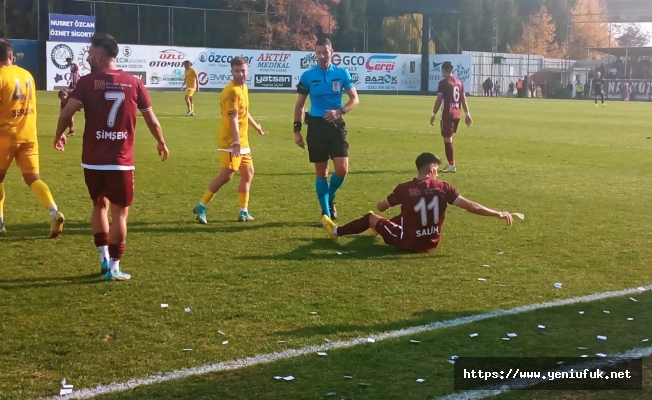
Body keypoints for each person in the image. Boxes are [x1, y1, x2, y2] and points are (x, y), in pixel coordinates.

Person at [55, 33, 169, 281]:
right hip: (121, 161)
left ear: (99, 55)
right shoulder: (134, 82)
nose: (86, 56)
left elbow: (67, 113)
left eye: (89, 52)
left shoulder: (86, 82)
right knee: (120, 213)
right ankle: (115, 267)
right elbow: (151, 118)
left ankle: (103, 258)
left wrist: (58, 134)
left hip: (93, 160)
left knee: (99, 206)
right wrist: (160, 141)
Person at [321, 152, 513, 253]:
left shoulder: (406, 188)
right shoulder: (443, 187)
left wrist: (383, 204)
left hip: (410, 243)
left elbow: (381, 207)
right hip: (432, 242)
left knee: (372, 217)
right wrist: (497, 213)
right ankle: (379, 228)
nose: (438, 172)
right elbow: (470, 206)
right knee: (406, 215)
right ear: (431, 168)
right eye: (437, 168)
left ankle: (336, 231)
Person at [0, 39, 65, 237]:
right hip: (28, 134)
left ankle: (0, 222)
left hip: (5, 135)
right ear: (11, 56)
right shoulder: (27, 74)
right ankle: (54, 210)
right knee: (33, 178)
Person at [193, 57, 267, 224]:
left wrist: (256, 128)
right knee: (227, 175)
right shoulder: (231, 91)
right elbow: (233, 118)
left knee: (248, 173)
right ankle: (201, 205)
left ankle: (243, 210)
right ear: (231, 71)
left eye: (243, 70)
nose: (241, 74)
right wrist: (235, 142)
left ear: (247, 70)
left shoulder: (244, 88)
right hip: (230, 141)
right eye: (237, 71)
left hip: (242, 141)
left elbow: (244, 113)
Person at [293, 37, 359, 220]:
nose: (322, 56)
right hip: (316, 126)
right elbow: (299, 105)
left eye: (325, 52)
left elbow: (355, 99)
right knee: (321, 171)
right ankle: (326, 213)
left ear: (332, 52)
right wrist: (296, 130)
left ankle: (330, 197)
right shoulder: (307, 76)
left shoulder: (342, 73)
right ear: (315, 54)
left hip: (336, 126)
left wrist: (341, 111)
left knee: (342, 169)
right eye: (318, 52)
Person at [429, 61, 472, 174]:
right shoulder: (459, 82)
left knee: (447, 139)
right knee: (449, 138)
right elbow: (463, 99)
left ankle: (452, 166)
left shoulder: (443, 83)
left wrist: (433, 114)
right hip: (457, 114)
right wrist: (467, 114)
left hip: (447, 114)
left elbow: (439, 100)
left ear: (443, 70)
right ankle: (450, 163)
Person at [63, 57, 79, 136]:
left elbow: (75, 75)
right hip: (73, 84)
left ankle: (71, 130)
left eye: (68, 61)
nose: (68, 62)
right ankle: (71, 130)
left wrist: (74, 85)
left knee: (68, 109)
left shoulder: (73, 66)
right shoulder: (72, 66)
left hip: (74, 85)